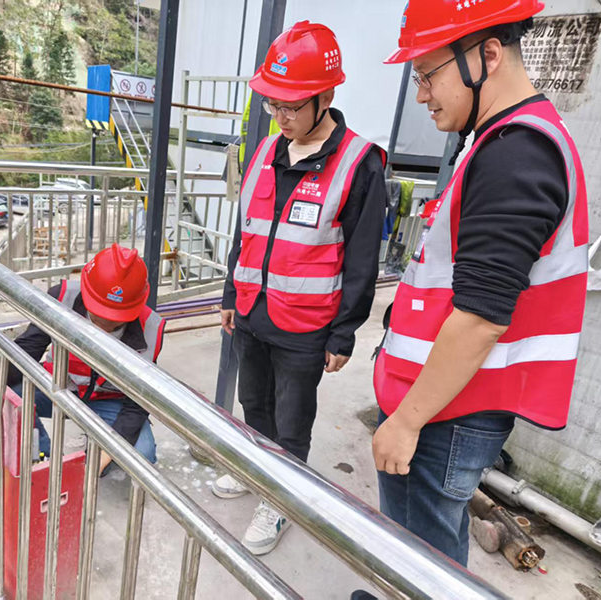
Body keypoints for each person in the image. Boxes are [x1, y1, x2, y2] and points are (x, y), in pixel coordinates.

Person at [374, 0, 589, 566]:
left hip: (445, 416)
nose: (422, 95)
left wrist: (406, 422)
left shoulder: (516, 155)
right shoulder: (501, 142)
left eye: (427, 75)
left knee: (423, 558)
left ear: (487, 55)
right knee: (416, 546)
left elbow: (480, 318)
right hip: (446, 404)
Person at [216, 21, 387, 556]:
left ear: (326, 97)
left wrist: (344, 333)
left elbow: (362, 258)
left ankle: (283, 499)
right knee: (254, 403)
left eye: (291, 106)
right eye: (273, 104)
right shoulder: (267, 150)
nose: (280, 116)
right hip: (252, 310)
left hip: (306, 325)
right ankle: (257, 469)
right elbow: (246, 232)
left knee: (292, 419)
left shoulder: (359, 162)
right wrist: (230, 295)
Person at [0, 244, 165, 474]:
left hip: (109, 401)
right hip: (59, 386)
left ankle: (94, 453)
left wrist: (103, 457)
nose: (104, 327)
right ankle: (42, 461)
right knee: (11, 399)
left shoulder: (150, 328)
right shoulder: (61, 299)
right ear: (86, 292)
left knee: (143, 454)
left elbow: (138, 404)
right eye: (98, 315)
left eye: (114, 320)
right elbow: (27, 352)